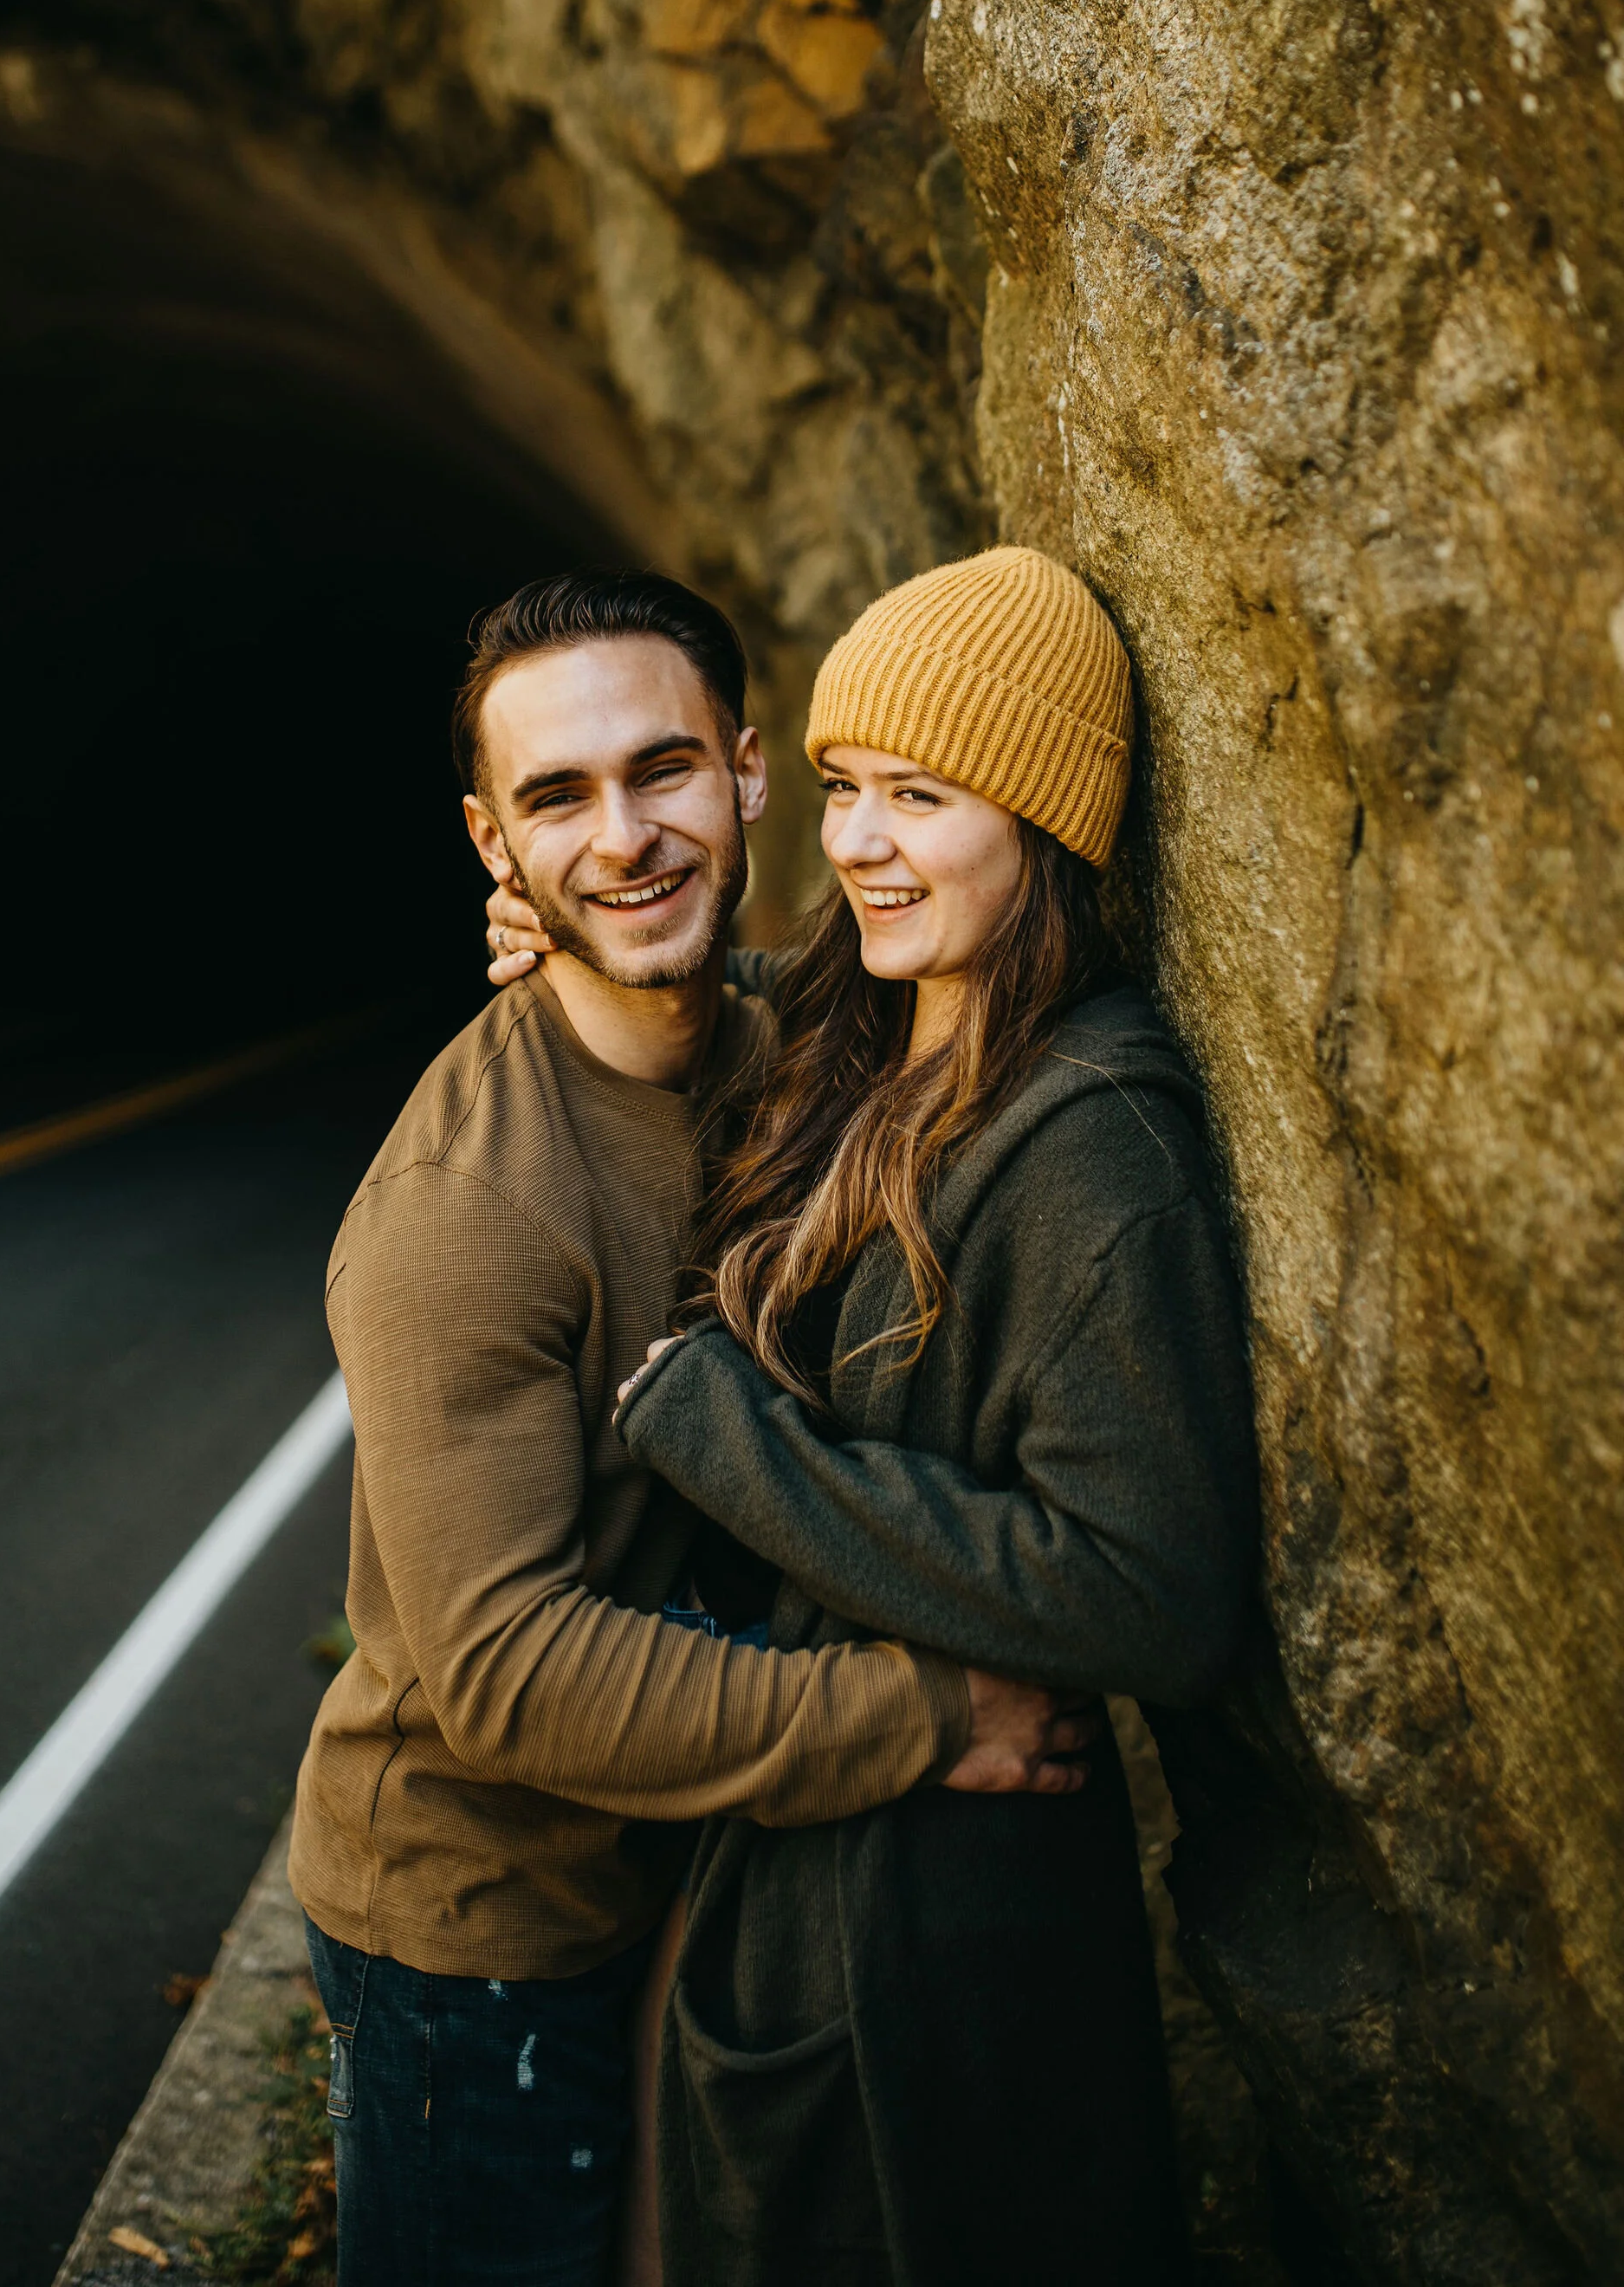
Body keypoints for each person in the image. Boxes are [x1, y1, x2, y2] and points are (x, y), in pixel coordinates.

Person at [287, 570, 1097, 2287]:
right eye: (555, 803)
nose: (623, 836)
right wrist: (916, 1714)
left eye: (658, 772)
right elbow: (502, 1670)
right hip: (480, 1937)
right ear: (493, 847)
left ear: (742, 773)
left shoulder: (771, 1048)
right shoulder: (463, 1215)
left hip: (685, 1854)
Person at [492, 544, 1258, 2284]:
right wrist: (571, 934)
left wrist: (726, 1433)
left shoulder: (1089, 1149)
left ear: (1044, 825)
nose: (852, 842)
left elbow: (1153, 1592)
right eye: (841, 787)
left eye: (920, 796)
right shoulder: (880, 1031)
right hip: (805, 1876)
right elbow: (733, 982)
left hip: (943, 1942)